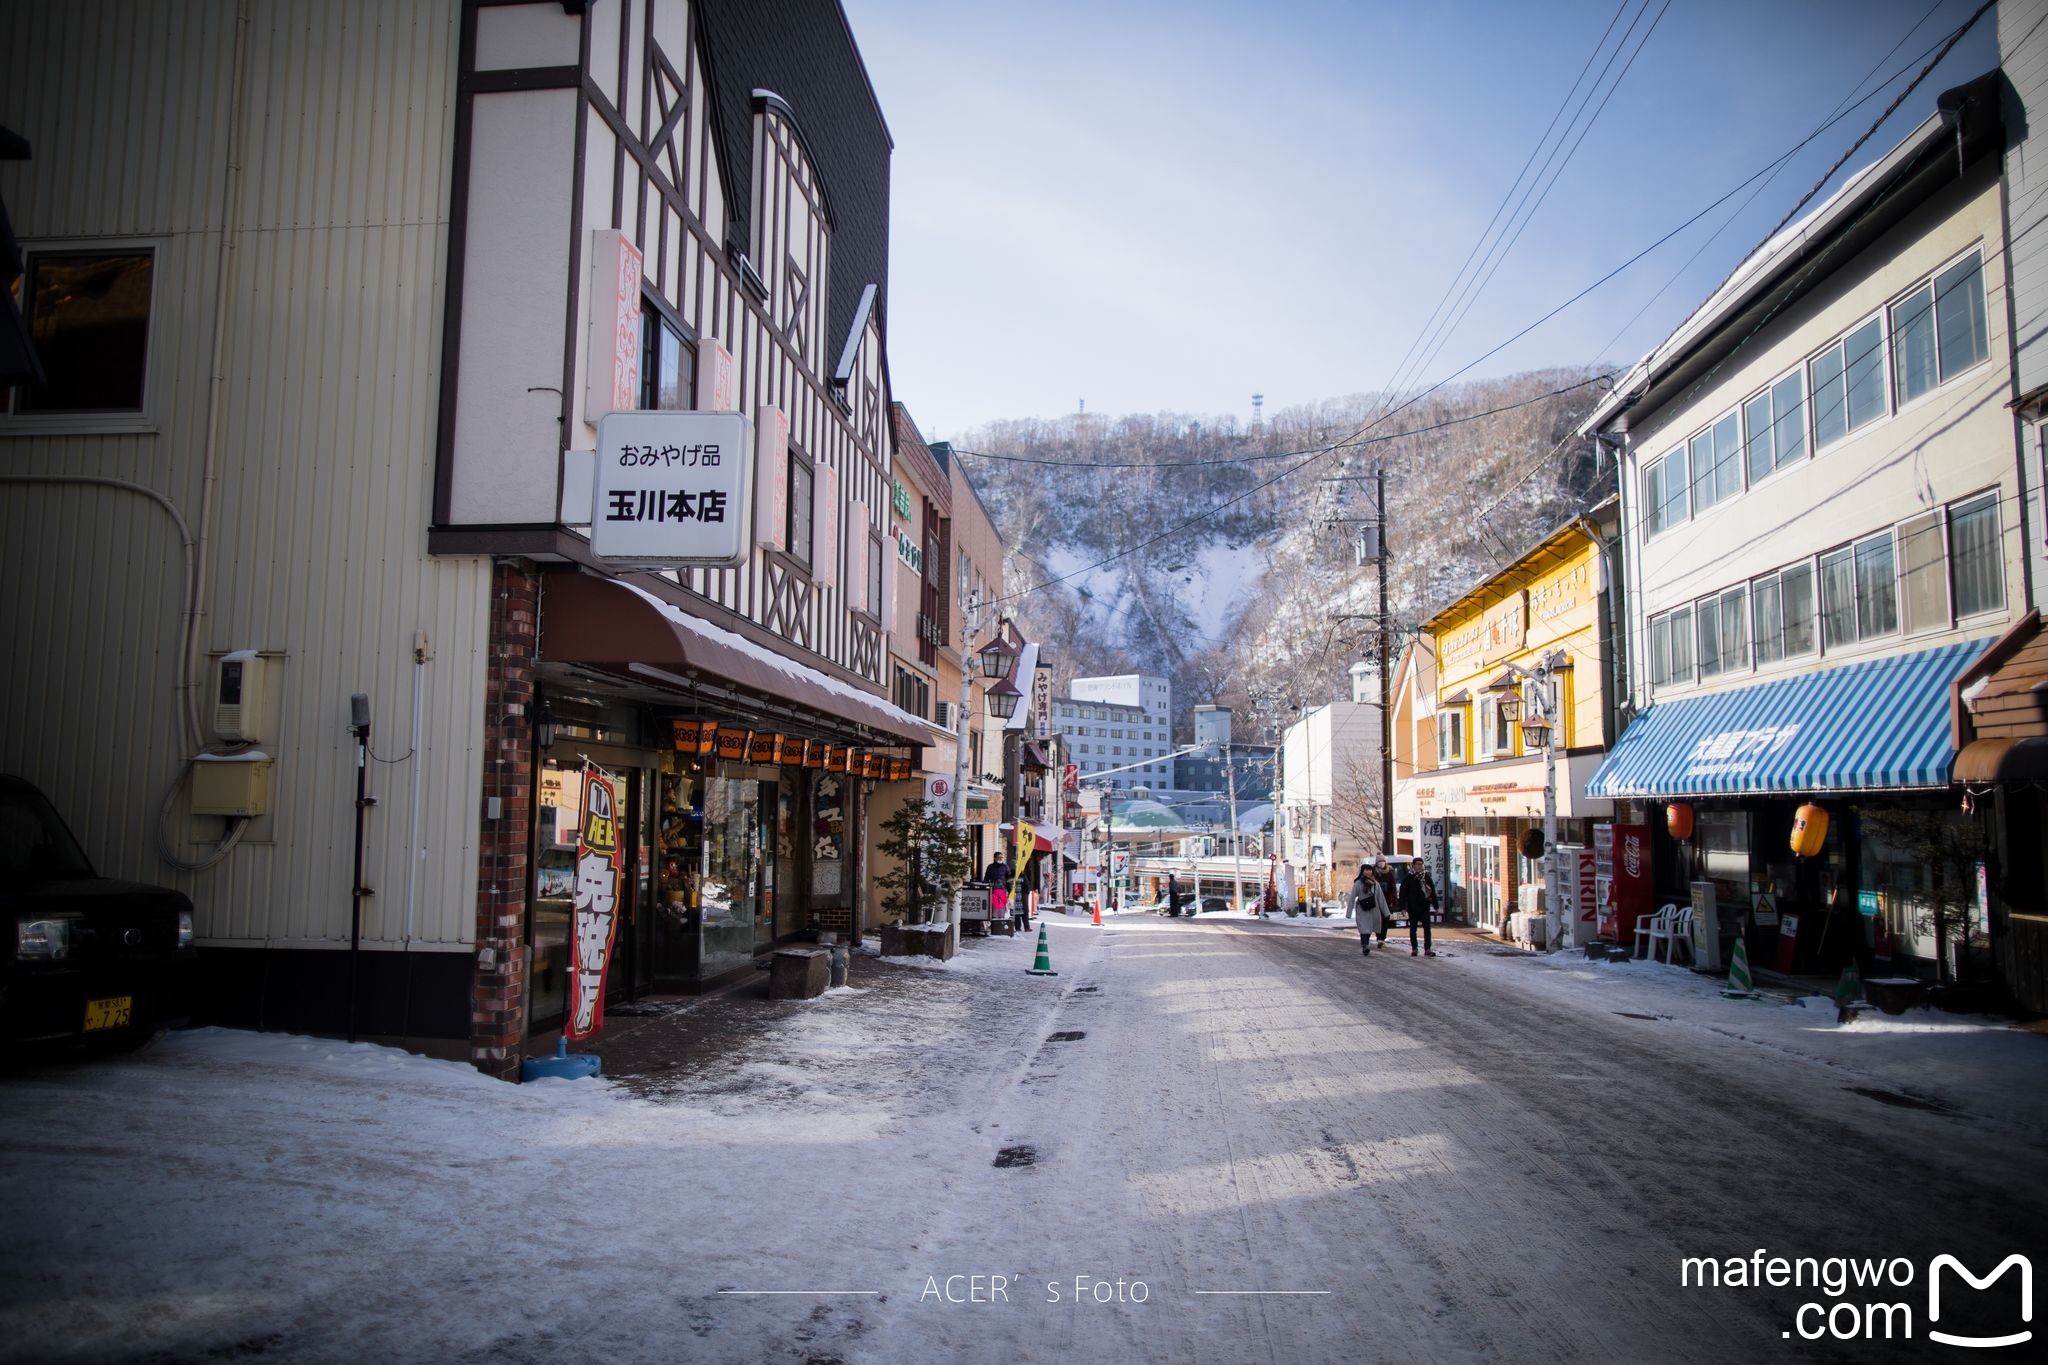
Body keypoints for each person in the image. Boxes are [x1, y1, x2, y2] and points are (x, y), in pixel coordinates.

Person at [1399, 856, 1438, 956]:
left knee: (1427, 928)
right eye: (1417, 864)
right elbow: (1402, 894)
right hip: (1413, 907)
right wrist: (1403, 908)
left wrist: (1436, 905)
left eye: (1421, 864)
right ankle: (1414, 948)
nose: (1420, 866)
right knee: (1413, 929)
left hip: (1424, 906)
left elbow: (1432, 892)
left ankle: (1427, 949)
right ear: (1413, 865)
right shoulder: (1408, 878)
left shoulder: (1426, 877)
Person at [1348, 862, 1386, 956]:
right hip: (1362, 909)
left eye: (1370, 870)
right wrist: (1348, 912)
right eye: (1366, 870)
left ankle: (1366, 944)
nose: (1368, 872)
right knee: (1364, 928)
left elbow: (1381, 898)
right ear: (1362, 871)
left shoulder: (1375, 883)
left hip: (1373, 909)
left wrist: (1386, 912)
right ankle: (1365, 945)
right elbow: (1352, 897)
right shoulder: (1358, 883)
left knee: (1368, 929)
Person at [1372, 858, 1397, 944]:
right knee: (1377, 918)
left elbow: (1393, 886)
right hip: (1376, 899)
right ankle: (1379, 936)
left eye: (1383, 861)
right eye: (1379, 862)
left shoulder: (1389, 872)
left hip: (1387, 899)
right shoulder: (1373, 872)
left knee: (1386, 917)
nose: (1381, 863)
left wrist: (1394, 898)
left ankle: (1383, 936)